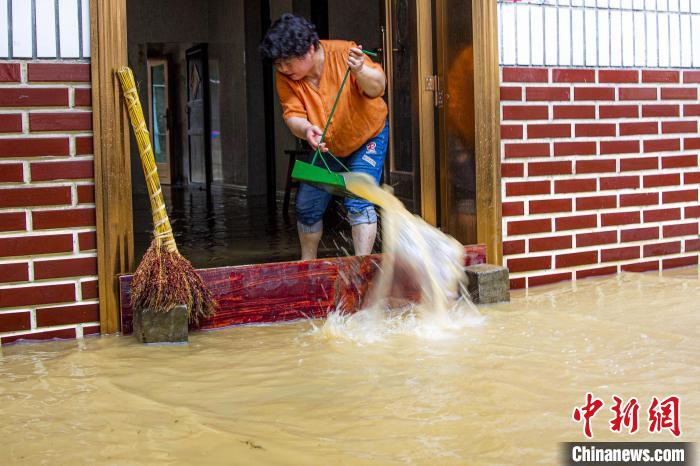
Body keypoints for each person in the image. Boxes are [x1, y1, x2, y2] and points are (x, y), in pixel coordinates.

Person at [259, 13, 388, 260]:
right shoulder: (286, 77)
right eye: (278, 65)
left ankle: (362, 269)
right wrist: (307, 129)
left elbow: (379, 87)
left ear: (309, 49)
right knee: (307, 206)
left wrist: (360, 70)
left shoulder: (345, 53)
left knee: (358, 200)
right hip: (327, 144)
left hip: (368, 136)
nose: (284, 70)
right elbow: (292, 115)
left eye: (287, 63)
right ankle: (308, 265)